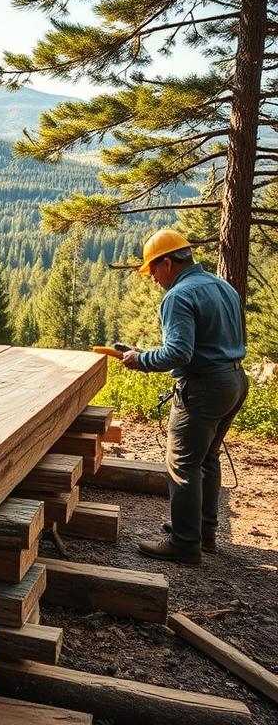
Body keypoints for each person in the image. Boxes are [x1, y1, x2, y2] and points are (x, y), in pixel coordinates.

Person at [120, 229, 247, 565]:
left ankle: (184, 542)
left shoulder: (178, 295)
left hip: (203, 388)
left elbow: (179, 353)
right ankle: (203, 532)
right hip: (234, 381)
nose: (153, 279)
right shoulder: (222, 287)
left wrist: (140, 360)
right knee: (207, 458)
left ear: (167, 262)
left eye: (153, 271)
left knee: (183, 464)